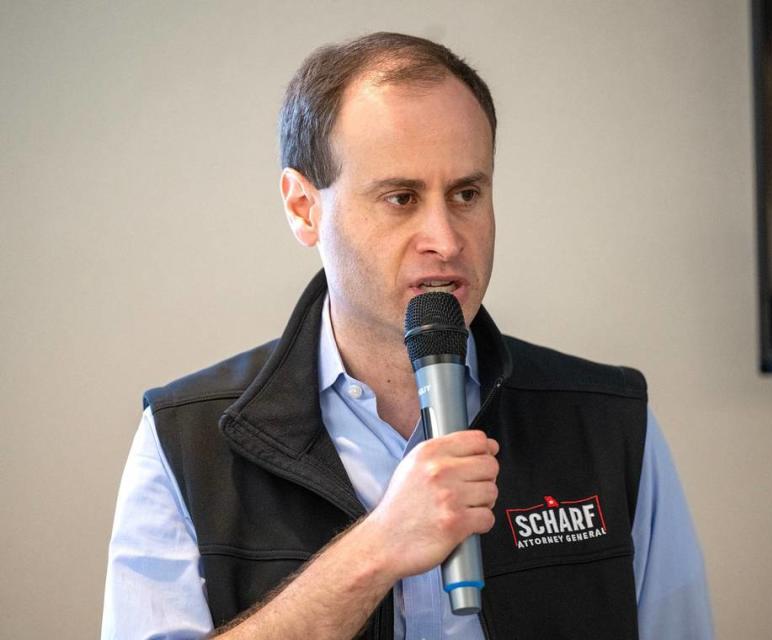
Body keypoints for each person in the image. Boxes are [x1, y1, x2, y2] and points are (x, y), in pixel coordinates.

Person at [102, 32, 712, 639]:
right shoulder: (185, 439)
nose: (445, 241)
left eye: (467, 194)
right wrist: (376, 549)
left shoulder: (607, 422)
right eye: (401, 198)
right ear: (302, 208)